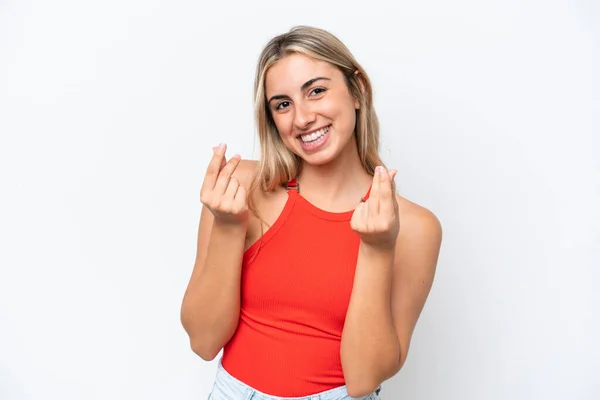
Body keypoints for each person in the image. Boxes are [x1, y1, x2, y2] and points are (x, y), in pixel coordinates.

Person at [180, 25, 443, 400]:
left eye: (316, 91)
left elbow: (364, 378)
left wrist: (377, 249)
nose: (302, 118)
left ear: (358, 90)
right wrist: (227, 226)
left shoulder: (414, 227)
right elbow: (204, 342)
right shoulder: (239, 187)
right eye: (282, 104)